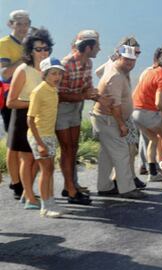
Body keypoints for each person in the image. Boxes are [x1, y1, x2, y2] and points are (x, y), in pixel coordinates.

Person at [57, 30, 109, 205]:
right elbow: (58, 95)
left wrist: (97, 97)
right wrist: (84, 96)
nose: (99, 49)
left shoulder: (87, 64)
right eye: (97, 46)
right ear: (88, 48)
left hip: (75, 107)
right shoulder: (66, 64)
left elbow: (87, 88)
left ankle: (70, 185)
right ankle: (71, 190)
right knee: (66, 148)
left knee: (73, 147)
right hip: (62, 109)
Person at [6, 28, 53, 208]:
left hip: (42, 119)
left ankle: (28, 193)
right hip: (22, 118)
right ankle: (30, 199)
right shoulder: (23, 70)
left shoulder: (48, 70)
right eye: (38, 49)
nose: (43, 52)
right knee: (27, 159)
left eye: (46, 48)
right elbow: (11, 102)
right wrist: (34, 104)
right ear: (30, 51)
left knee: (37, 158)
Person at [91, 45, 146, 199]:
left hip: (104, 119)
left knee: (107, 156)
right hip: (109, 119)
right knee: (122, 153)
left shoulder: (118, 71)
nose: (130, 63)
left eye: (133, 60)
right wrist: (122, 124)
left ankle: (104, 187)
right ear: (119, 58)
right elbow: (115, 104)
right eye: (127, 60)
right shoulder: (115, 76)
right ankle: (127, 189)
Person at [27, 57, 66, 218]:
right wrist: (40, 143)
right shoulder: (39, 91)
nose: (57, 77)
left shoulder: (53, 89)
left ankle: (51, 203)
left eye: (59, 73)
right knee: (46, 170)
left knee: (49, 170)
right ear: (44, 74)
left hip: (48, 135)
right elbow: (30, 119)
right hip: (39, 136)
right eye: (53, 74)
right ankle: (45, 207)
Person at [131, 50, 162, 182]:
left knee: (153, 139)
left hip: (134, 112)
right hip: (146, 112)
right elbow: (158, 103)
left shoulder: (150, 71)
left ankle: (152, 172)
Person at [0, 10, 31, 199]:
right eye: (19, 23)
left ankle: (23, 182)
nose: (23, 27)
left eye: (26, 23)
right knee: (13, 143)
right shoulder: (4, 44)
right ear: (10, 24)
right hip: (9, 98)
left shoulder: (29, 43)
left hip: (27, 98)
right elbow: (4, 73)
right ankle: (16, 184)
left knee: (24, 143)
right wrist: (24, 59)